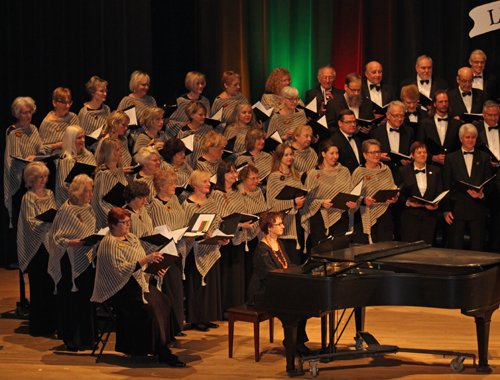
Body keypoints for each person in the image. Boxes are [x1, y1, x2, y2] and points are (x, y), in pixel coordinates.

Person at [90, 207, 185, 367]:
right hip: (116, 288)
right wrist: (147, 260)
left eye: (129, 222)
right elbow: (120, 270)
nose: (127, 225)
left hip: (135, 282)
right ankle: (159, 351)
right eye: (124, 222)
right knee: (149, 309)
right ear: (112, 224)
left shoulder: (132, 238)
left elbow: (140, 265)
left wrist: (155, 271)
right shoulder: (108, 243)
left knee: (163, 301)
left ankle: (162, 345)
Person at [246, 211, 311, 356]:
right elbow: (270, 275)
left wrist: (304, 268)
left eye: (282, 223)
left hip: (278, 286)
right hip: (263, 292)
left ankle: (296, 340)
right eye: (279, 224)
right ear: (269, 227)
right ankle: (294, 342)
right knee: (298, 304)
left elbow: (286, 265)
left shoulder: (278, 243)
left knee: (305, 302)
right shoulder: (262, 249)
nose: (283, 226)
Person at [47, 174, 97, 351]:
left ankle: (86, 338)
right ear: (78, 192)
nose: (91, 195)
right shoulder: (66, 210)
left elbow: (92, 229)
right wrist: (70, 243)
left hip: (85, 259)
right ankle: (70, 338)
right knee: (70, 301)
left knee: (85, 300)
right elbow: (55, 238)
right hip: (68, 261)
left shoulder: (89, 208)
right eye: (89, 192)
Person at [183, 170, 229, 331]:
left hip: (211, 248)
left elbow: (217, 223)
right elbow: (185, 228)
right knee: (197, 286)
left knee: (211, 285)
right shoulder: (187, 204)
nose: (208, 184)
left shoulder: (212, 202)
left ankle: (209, 316)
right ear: (195, 185)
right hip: (195, 250)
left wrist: (221, 237)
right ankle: (197, 319)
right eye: (204, 182)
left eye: (209, 181)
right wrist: (198, 234)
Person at [211, 161, 258, 311]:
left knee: (238, 275)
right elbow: (219, 219)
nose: (234, 175)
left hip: (239, 239)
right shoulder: (216, 194)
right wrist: (239, 225)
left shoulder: (237, 192)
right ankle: (226, 309)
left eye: (235, 172)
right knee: (227, 276)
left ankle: (238, 306)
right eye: (230, 172)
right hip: (225, 241)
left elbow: (242, 211)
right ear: (222, 175)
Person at [17, 162, 57, 336]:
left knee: (50, 285)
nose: (43, 180)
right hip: (36, 247)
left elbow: (55, 214)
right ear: (31, 179)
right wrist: (46, 223)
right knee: (38, 288)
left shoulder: (50, 194)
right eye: (40, 177)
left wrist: (52, 221)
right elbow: (30, 222)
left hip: (50, 245)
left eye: (45, 176)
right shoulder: (28, 198)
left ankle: (52, 324)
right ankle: (39, 327)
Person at [148, 169, 187, 336]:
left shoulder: (175, 200)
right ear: (160, 186)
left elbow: (183, 220)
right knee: (167, 290)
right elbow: (157, 230)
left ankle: (177, 326)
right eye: (171, 183)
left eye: (175, 182)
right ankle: (168, 329)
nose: (174, 186)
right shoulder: (154, 205)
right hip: (164, 253)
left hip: (178, 249)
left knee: (177, 291)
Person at [442, 124, 492, 251]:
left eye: (473, 137)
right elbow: (446, 184)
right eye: (468, 137)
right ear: (461, 139)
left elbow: (489, 183)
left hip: (477, 208)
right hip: (456, 209)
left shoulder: (484, 157)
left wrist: (481, 195)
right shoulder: (451, 158)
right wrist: (446, 210)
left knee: (477, 248)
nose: (470, 140)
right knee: (455, 247)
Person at [301, 140, 357, 248]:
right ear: (323, 154)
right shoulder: (314, 174)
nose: (335, 156)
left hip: (341, 217)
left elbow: (351, 193)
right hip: (320, 219)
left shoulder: (344, 171)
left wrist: (353, 202)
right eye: (332, 153)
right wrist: (321, 203)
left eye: (337, 153)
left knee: (340, 252)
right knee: (322, 252)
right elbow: (307, 200)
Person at [4, 97, 44, 232]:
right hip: (19, 179)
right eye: (24, 113)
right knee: (21, 216)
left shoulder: (33, 128)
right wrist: (27, 161)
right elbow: (13, 157)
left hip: (36, 176)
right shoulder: (12, 131)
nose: (28, 116)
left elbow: (41, 150)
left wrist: (37, 157)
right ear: (17, 114)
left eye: (30, 112)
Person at [351, 139, 398, 244]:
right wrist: (363, 201)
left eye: (378, 152)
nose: (376, 155)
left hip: (385, 216)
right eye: (372, 152)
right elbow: (351, 197)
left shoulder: (386, 170)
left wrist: (394, 198)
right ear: (365, 154)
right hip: (365, 217)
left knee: (385, 249)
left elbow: (393, 188)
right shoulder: (359, 172)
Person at [266, 143, 306, 265]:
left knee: (297, 260)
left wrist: (301, 202)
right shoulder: (273, 177)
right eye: (286, 155)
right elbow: (271, 203)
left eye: (291, 154)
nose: (290, 157)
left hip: (297, 219)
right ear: (279, 157)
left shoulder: (296, 175)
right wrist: (293, 202)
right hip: (283, 223)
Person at [396, 142, 442, 245]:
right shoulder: (403, 171)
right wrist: (407, 202)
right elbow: (398, 192)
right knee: (409, 247)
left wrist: (436, 203)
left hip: (429, 216)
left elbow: (439, 191)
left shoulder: (436, 170)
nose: (422, 155)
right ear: (412, 155)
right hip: (409, 216)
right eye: (419, 152)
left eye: (424, 152)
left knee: (428, 247)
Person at [237, 165, 268, 291]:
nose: (256, 181)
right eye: (252, 178)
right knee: (247, 271)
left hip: (258, 235)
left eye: (257, 178)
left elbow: (264, 209)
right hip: (243, 237)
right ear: (244, 179)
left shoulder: (258, 192)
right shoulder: (237, 192)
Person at [91, 138, 130, 229]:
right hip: (110, 218)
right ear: (109, 152)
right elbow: (99, 202)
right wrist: (116, 218)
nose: (121, 151)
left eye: (120, 148)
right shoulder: (103, 174)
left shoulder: (119, 170)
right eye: (117, 149)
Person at [417, 90, 461, 167]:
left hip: (452, 166)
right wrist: (433, 157)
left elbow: (459, 147)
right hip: (431, 166)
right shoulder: (424, 124)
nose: (444, 104)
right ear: (434, 104)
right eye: (440, 102)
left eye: (446, 101)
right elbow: (420, 147)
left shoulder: (457, 124)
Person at [55, 126, 96, 207]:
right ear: (71, 140)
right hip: (72, 205)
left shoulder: (89, 155)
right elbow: (63, 186)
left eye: (83, 137)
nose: (83, 140)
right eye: (79, 138)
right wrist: (81, 198)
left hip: (88, 200)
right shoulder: (65, 159)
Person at [370, 100, 414, 175]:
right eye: (396, 115)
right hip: (382, 174)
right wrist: (378, 156)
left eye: (402, 115)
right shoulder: (375, 133)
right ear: (388, 115)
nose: (399, 119)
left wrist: (410, 160)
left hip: (404, 174)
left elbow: (412, 153)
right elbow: (368, 155)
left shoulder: (409, 132)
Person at [164, 71, 211, 138]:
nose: (201, 86)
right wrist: (182, 125)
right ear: (191, 84)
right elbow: (169, 122)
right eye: (197, 84)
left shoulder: (205, 101)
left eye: (202, 83)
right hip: (184, 136)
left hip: (202, 135)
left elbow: (207, 119)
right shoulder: (180, 102)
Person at [39, 87, 78, 155]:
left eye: (69, 102)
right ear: (54, 103)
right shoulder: (47, 123)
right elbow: (40, 149)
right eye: (63, 103)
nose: (68, 106)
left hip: (73, 155)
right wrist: (55, 146)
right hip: (54, 159)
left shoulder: (73, 117)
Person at [117, 70, 157, 135]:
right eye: (143, 85)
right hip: (135, 137)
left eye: (148, 85)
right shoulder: (127, 101)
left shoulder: (151, 100)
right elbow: (118, 122)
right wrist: (138, 123)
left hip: (152, 134)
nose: (146, 87)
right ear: (135, 85)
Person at [177, 101, 213, 169]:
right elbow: (183, 157)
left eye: (204, 114)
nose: (204, 117)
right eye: (200, 115)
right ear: (191, 115)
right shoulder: (184, 133)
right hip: (192, 168)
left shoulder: (207, 129)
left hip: (208, 166)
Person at [330, 109, 364, 173]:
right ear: (340, 123)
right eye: (349, 122)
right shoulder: (334, 141)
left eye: (354, 122)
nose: (353, 125)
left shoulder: (357, 139)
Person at [123, 181, 153, 247]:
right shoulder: (125, 215)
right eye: (141, 197)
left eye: (146, 197)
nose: (145, 200)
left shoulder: (143, 210)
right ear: (132, 197)